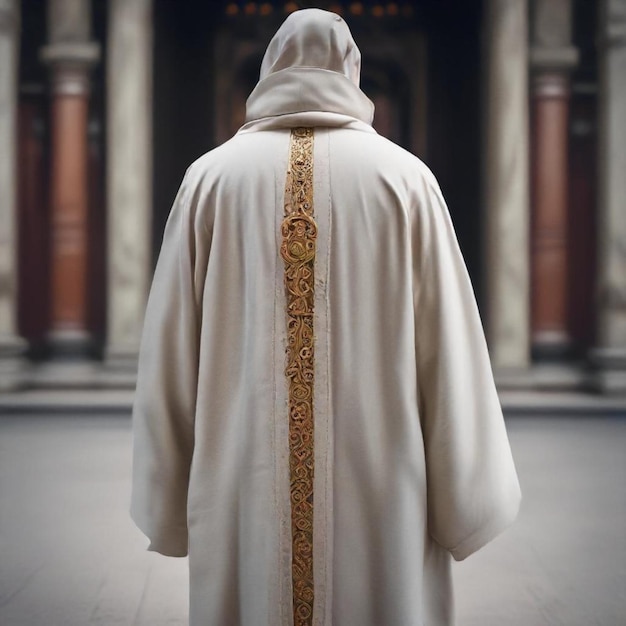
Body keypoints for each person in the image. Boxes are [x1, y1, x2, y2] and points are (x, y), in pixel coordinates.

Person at [131, 8, 521, 626]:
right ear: (352, 69)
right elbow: (448, 351)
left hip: (242, 485)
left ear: (269, 67)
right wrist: (464, 495)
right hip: (382, 488)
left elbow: (173, 354)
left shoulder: (210, 180)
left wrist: (167, 494)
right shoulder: (407, 181)